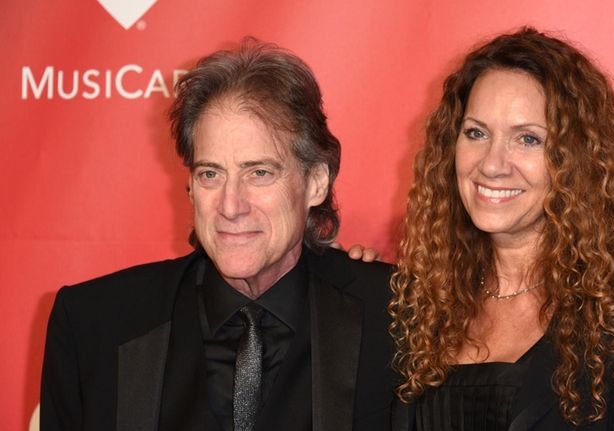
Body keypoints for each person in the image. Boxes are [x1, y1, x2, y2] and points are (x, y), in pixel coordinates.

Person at [41, 39, 398, 431]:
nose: (231, 206)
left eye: (259, 173)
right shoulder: (93, 324)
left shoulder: (395, 318)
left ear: (315, 182)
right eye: (211, 174)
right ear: (191, 188)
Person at [388, 27, 614, 430]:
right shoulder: (415, 304)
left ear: (576, 159)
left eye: (527, 139)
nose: (491, 164)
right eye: (476, 133)